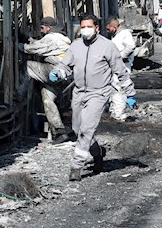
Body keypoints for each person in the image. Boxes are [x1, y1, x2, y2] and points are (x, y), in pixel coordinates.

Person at [49, 14, 136, 181]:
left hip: (99, 93)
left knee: (87, 129)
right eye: (83, 27)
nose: (85, 30)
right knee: (77, 129)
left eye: (89, 27)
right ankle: (97, 153)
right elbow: (65, 65)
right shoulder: (76, 46)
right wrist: (57, 73)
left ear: (96, 28)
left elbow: (120, 70)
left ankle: (76, 166)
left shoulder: (107, 46)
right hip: (79, 92)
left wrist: (130, 93)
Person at [18, 16, 73, 144]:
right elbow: (42, 45)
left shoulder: (52, 37)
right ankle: (59, 131)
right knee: (48, 101)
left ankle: (19, 95)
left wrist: (18, 45)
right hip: (64, 75)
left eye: (42, 28)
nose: (41, 31)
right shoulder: (62, 38)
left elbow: (34, 49)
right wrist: (29, 39)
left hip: (54, 70)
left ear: (49, 27)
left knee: (28, 67)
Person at [105, 17, 136, 122]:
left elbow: (131, 46)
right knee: (114, 89)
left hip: (123, 66)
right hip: (116, 66)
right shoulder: (117, 35)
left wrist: (121, 56)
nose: (108, 31)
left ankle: (119, 114)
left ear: (114, 26)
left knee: (119, 90)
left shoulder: (125, 33)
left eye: (109, 29)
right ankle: (115, 112)